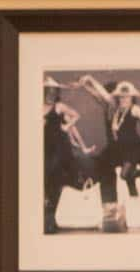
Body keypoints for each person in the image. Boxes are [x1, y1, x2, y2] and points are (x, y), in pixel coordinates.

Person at [74, 75, 140, 205]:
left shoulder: (135, 110)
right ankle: (133, 201)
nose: (123, 99)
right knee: (124, 176)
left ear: (132, 98)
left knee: (123, 175)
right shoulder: (115, 107)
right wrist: (90, 80)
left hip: (134, 148)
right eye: (121, 97)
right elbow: (103, 93)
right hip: (121, 149)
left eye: (126, 97)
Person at [43, 76, 98, 233]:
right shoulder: (36, 106)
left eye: (53, 91)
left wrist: (68, 128)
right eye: (48, 91)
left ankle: (76, 213)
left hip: (61, 148)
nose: (51, 94)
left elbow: (76, 117)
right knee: (49, 179)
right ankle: (54, 215)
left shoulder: (59, 107)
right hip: (45, 148)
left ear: (56, 93)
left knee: (66, 177)